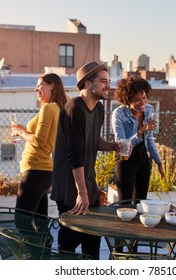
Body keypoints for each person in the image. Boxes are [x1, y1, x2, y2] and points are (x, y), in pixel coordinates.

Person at [51, 61, 120, 259]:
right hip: (70, 187)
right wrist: (81, 193)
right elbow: (75, 154)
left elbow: (94, 140)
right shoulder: (74, 108)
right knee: (69, 242)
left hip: (88, 184)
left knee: (92, 240)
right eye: (103, 81)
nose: (108, 85)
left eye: (109, 81)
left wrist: (113, 146)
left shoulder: (98, 109)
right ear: (88, 84)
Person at [12, 73, 67, 217]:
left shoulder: (48, 108)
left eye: (39, 85)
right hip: (43, 171)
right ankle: (44, 240)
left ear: (52, 86)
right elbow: (43, 139)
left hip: (36, 170)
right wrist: (23, 131)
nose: (36, 89)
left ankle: (30, 240)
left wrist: (20, 132)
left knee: (22, 220)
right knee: (39, 221)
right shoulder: (57, 108)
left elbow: (40, 142)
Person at [112, 76, 165, 203]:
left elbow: (150, 139)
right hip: (126, 159)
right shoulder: (118, 114)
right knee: (125, 202)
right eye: (137, 100)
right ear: (127, 100)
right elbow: (122, 144)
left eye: (144, 98)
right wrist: (141, 131)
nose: (143, 103)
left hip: (143, 158)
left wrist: (159, 163)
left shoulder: (148, 109)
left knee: (141, 202)